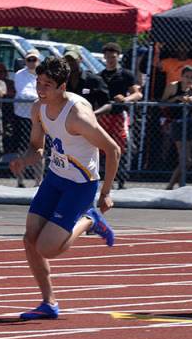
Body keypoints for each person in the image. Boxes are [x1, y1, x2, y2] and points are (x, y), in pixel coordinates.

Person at [9, 56, 120, 321]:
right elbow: (37, 147)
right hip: (55, 178)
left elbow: (113, 149)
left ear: (62, 86)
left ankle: (90, 219)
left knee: (47, 248)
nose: (40, 89)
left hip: (80, 185)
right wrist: (25, 160)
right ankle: (49, 302)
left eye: (47, 85)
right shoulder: (38, 108)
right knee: (30, 239)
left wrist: (106, 192)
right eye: (38, 82)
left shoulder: (78, 116)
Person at [97, 42, 142, 189]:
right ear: (104, 57)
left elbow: (137, 94)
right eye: (108, 57)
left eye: (113, 57)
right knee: (101, 146)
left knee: (121, 146)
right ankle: (103, 178)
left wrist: (125, 99)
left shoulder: (126, 74)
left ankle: (121, 179)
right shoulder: (99, 76)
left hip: (119, 115)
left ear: (118, 57)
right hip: (103, 116)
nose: (111, 60)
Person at [163, 65, 192, 189]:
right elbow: (162, 103)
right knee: (185, 160)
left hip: (190, 123)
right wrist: (177, 98)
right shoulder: (173, 86)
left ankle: (179, 185)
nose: (189, 79)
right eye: (187, 77)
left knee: (186, 160)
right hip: (177, 123)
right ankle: (170, 186)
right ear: (182, 77)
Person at [12, 49, 42, 187]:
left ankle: (38, 181)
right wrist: (38, 97)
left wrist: (38, 97)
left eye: (34, 59)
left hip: (39, 117)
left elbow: (45, 93)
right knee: (21, 150)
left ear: (39, 61)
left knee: (39, 149)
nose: (31, 62)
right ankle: (20, 181)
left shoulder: (44, 75)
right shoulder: (19, 74)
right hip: (22, 117)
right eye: (29, 60)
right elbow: (23, 93)